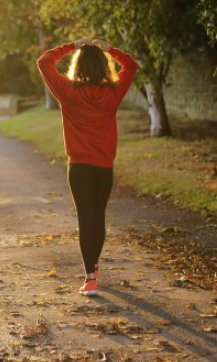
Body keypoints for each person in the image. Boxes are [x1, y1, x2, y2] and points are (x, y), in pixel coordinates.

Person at [36, 38, 139, 296]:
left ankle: (90, 277)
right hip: (103, 167)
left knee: (86, 219)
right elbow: (131, 65)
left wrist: (72, 45)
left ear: (78, 65)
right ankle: (93, 266)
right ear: (104, 66)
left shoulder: (68, 92)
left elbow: (44, 62)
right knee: (98, 217)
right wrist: (109, 49)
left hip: (79, 168)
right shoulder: (113, 93)